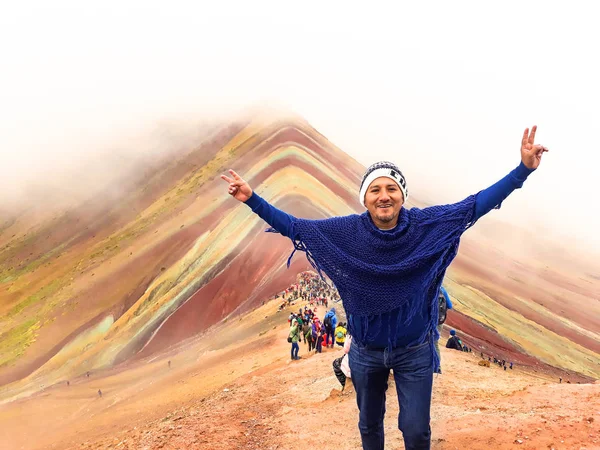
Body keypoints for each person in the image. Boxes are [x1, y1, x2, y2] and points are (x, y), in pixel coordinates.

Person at [221, 126, 548, 450]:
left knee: (417, 431)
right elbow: (294, 227)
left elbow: (475, 205)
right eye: (375, 189)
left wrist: (522, 171)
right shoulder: (346, 232)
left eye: (391, 188)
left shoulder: (426, 226)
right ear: (365, 197)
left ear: (402, 195)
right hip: (365, 351)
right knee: (369, 424)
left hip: (415, 351)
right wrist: (252, 199)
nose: (383, 196)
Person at [434, 285, 452, 373]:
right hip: (439, 321)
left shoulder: (426, 284)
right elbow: (450, 305)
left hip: (427, 320)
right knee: (435, 343)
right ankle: (437, 367)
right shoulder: (442, 289)